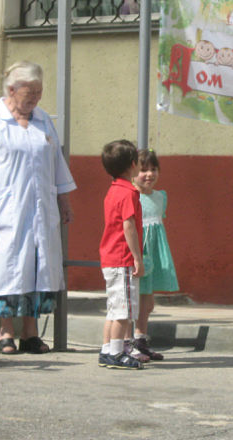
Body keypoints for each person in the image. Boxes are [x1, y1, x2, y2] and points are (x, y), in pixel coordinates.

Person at [0, 61, 76, 354]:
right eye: (30, 92)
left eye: (39, 91)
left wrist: (64, 202)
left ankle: (30, 334)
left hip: (41, 211)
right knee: (8, 270)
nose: (36, 97)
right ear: (11, 90)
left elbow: (56, 164)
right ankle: (6, 332)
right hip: (5, 211)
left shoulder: (43, 120)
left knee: (36, 267)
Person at [98, 140, 145, 370]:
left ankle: (107, 349)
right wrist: (137, 257)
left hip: (111, 258)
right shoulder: (128, 193)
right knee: (123, 310)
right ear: (133, 164)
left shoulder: (113, 190)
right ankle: (116, 353)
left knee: (114, 308)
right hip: (122, 259)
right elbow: (129, 226)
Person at [130, 149, 179, 361]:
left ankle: (141, 339)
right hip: (138, 254)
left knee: (148, 302)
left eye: (153, 169)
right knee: (132, 299)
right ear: (133, 172)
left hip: (154, 255)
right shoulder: (132, 196)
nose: (149, 174)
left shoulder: (160, 197)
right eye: (144, 170)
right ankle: (126, 341)